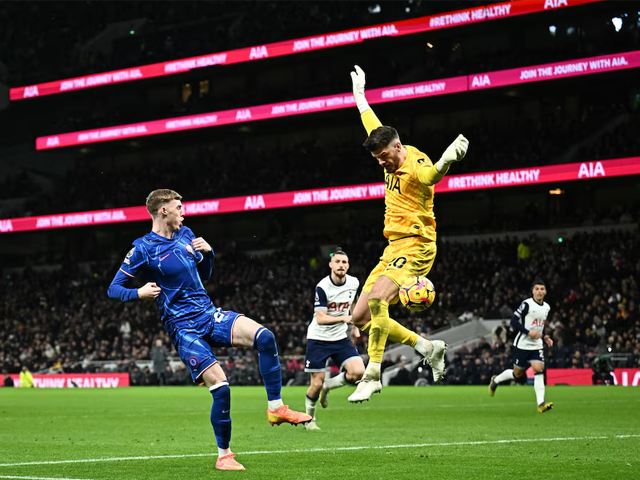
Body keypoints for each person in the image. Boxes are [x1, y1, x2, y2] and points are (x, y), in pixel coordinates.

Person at [107, 189, 311, 471]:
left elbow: (203, 275)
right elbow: (113, 288)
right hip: (183, 328)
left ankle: (276, 408)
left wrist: (209, 254)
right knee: (222, 387)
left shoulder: (187, 233)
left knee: (266, 337)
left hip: (208, 314)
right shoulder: (142, 248)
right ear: (163, 210)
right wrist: (138, 292)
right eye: (179, 207)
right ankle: (224, 455)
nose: (183, 212)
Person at [347, 65, 470, 402]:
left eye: (384, 158)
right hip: (393, 246)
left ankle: (372, 374)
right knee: (359, 319)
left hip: (417, 244)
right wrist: (359, 95)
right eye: (377, 159)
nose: (381, 164)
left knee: (376, 301)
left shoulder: (415, 163)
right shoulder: (388, 147)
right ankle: (429, 347)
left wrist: (448, 158)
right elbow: (373, 125)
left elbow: (431, 176)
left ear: (398, 147)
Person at [303, 248, 365, 430]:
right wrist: (344, 318)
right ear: (331, 265)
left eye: (344, 262)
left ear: (348, 265)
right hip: (318, 339)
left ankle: (328, 386)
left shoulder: (354, 282)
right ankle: (309, 420)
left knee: (358, 372)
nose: (341, 265)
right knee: (315, 384)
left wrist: (354, 327)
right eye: (337, 262)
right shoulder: (323, 287)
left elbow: (354, 303)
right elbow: (321, 318)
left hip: (340, 338)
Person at [488, 279, 554, 413]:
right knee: (517, 374)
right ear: (533, 291)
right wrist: (528, 332)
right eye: (537, 289)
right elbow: (514, 321)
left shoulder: (546, 307)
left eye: (542, 289)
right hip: (522, 344)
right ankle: (496, 380)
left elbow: (540, 326)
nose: (539, 291)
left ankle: (540, 403)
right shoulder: (527, 304)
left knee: (539, 369)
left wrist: (545, 336)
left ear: (545, 292)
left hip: (537, 345)